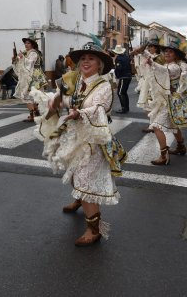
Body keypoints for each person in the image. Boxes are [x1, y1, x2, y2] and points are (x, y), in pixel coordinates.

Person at [31, 39, 125, 246]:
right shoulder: (75, 82)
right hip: (74, 136)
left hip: (93, 140)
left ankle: (95, 230)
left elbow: (99, 108)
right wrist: (53, 102)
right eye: (83, 58)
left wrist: (79, 113)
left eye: (91, 58)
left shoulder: (104, 85)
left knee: (84, 180)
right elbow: (63, 101)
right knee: (73, 171)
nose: (86, 61)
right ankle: (79, 200)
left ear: (100, 64)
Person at [134, 38, 187, 165]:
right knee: (174, 125)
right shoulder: (168, 65)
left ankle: (164, 155)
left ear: (176, 55)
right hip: (166, 100)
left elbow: (161, 70)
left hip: (168, 101)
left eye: (170, 52)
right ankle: (180, 147)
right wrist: (144, 53)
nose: (167, 53)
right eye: (166, 51)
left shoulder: (174, 67)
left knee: (156, 126)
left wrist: (146, 55)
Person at [13, 36, 48, 122]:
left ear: (32, 44)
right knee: (32, 96)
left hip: (34, 76)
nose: (26, 44)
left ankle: (34, 115)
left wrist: (21, 58)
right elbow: (19, 61)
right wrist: (15, 59)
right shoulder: (26, 52)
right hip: (30, 76)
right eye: (25, 43)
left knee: (29, 95)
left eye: (28, 43)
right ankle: (35, 114)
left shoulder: (33, 53)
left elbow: (30, 62)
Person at [112, 44, 132, 114]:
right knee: (124, 92)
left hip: (123, 77)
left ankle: (124, 108)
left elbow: (119, 68)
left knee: (120, 93)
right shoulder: (126, 57)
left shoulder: (118, 58)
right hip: (128, 76)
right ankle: (126, 108)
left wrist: (116, 72)